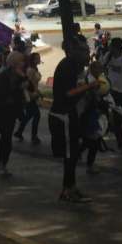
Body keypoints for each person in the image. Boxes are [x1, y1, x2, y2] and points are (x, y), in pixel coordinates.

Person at [49, 36, 99, 202]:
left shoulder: (73, 66)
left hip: (69, 115)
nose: (88, 53)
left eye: (88, 50)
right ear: (74, 52)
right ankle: (69, 190)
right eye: (84, 51)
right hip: (63, 116)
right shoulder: (68, 66)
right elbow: (68, 93)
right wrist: (89, 86)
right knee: (70, 156)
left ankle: (70, 189)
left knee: (73, 155)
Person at [0, 51, 26, 177]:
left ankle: (2, 164)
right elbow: (1, 95)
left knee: (7, 138)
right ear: (15, 62)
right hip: (2, 111)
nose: (24, 63)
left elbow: (29, 87)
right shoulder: (4, 76)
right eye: (21, 61)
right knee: (6, 138)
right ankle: (1, 164)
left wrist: (23, 78)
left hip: (11, 111)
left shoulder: (19, 75)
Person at [78, 60, 111, 175]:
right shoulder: (89, 81)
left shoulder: (98, 79)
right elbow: (91, 97)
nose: (100, 71)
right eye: (99, 69)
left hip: (93, 113)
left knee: (90, 140)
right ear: (93, 69)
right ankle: (89, 165)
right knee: (93, 141)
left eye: (101, 69)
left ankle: (78, 154)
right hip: (89, 114)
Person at [15, 52, 43, 145]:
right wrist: (32, 94)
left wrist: (38, 92)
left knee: (30, 115)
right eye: (37, 58)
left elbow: (34, 84)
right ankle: (33, 136)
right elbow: (27, 84)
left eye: (39, 57)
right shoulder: (30, 70)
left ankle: (19, 132)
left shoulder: (34, 69)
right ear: (33, 60)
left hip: (33, 95)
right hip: (29, 96)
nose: (39, 59)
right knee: (36, 115)